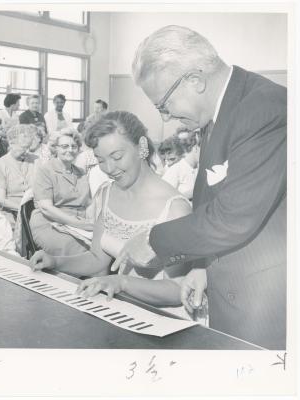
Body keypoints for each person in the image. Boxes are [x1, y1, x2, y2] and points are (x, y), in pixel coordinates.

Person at [110, 25, 287, 349]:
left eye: (163, 105)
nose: (165, 119)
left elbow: (233, 218)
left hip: (268, 309)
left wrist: (153, 240)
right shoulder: (217, 114)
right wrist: (203, 268)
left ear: (194, 80)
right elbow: (215, 200)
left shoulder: (265, 109)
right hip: (231, 295)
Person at [30, 111, 196, 318]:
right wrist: (55, 261)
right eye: (100, 160)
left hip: (163, 318)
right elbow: (97, 258)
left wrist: (121, 282)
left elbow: (177, 288)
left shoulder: (175, 209)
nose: (109, 168)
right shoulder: (105, 194)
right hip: (121, 309)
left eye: (117, 157)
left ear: (142, 146)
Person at [29, 131, 93, 257]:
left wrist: (92, 223)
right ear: (55, 148)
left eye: (74, 146)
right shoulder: (45, 170)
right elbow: (46, 208)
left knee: (104, 243)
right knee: (80, 249)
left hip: (78, 222)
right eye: (64, 146)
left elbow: (88, 204)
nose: (70, 150)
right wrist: (78, 224)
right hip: (49, 223)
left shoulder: (81, 172)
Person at [0, 124, 38, 227]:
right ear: (11, 144)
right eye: (24, 148)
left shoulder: (36, 160)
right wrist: (24, 210)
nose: (27, 152)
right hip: (9, 213)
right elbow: (2, 200)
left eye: (29, 147)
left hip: (35, 212)